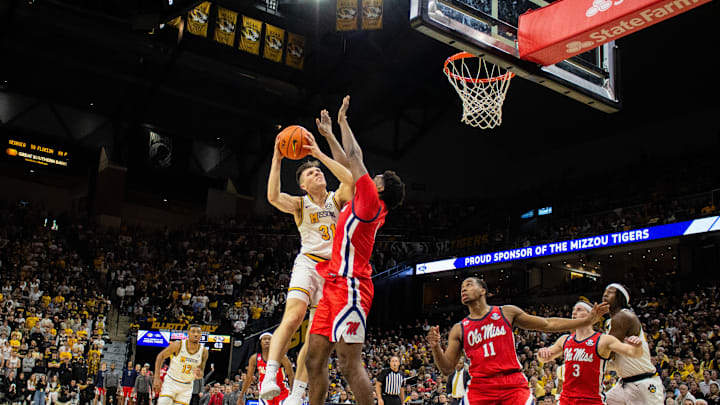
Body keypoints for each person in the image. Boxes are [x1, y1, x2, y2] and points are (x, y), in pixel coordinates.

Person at [305, 95, 406, 405]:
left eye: (374, 177)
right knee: (312, 360)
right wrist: (328, 135)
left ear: (381, 188)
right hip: (334, 283)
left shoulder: (371, 202)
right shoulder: (366, 197)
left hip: (352, 287)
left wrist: (343, 121)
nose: (368, 175)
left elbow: (354, 154)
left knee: (348, 365)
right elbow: (347, 163)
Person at [259, 109, 354, 405]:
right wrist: (277, 159)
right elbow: (273, 197)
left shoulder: (336, 198)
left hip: (334, 273)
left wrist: (320, 152)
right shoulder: (300, 204)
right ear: (302, 184)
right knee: (295, 314)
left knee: (314, 338)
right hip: (309, 264)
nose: (318, 173)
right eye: (311, 172)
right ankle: (270, 375)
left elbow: (350, 180)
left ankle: (296, 394)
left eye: (319, 171)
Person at [426, 277, 609, 405]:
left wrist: (586, 321)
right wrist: (435, 348)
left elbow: (547, 323)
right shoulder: (459, 328)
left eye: (468, 284)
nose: (463, 289)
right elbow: (447, 368)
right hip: (480, 386)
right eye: (461, 288)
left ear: (483, 290)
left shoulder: (506, 312)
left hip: (511, 383)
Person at [537, 300, 646, 404]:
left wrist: (637, 347)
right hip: (566, 399)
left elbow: (634, 353)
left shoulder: (603, 340)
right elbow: (544, 358)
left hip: (591, 400)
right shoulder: (565, 339)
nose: (574, 312)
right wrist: (541, 353)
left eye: (579, 309)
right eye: (574, 309)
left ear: (591, 314)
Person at [602, 283, 665, 404]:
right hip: (624, 383)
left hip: (644, 383)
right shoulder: (609, 322)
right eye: (605, 291)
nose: (605, 294)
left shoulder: (624, 316)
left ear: (620, 298)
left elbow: (607, 352)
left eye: (610, 292)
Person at [152, 325, 209, 405]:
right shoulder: (178, 345)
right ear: (188, 334)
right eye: (193, 332)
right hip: (171, 381)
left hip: (187, 386)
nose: (196, 334)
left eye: (198, 332)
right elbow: (160, 357)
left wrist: (199, 374)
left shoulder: (204, 351)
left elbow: (201, 372)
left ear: (201, 335)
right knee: (164, 402)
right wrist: (156, 378)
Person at [239, 333, 294, 405]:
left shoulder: (281, 357)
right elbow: (249, 378)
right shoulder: (254, 358)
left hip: (282, 391)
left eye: (269, 339)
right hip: (265, 392)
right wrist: (241, 396)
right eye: (264, 339)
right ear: (260, 342)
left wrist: (294, 393)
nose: (267, 341)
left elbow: (291, 375)